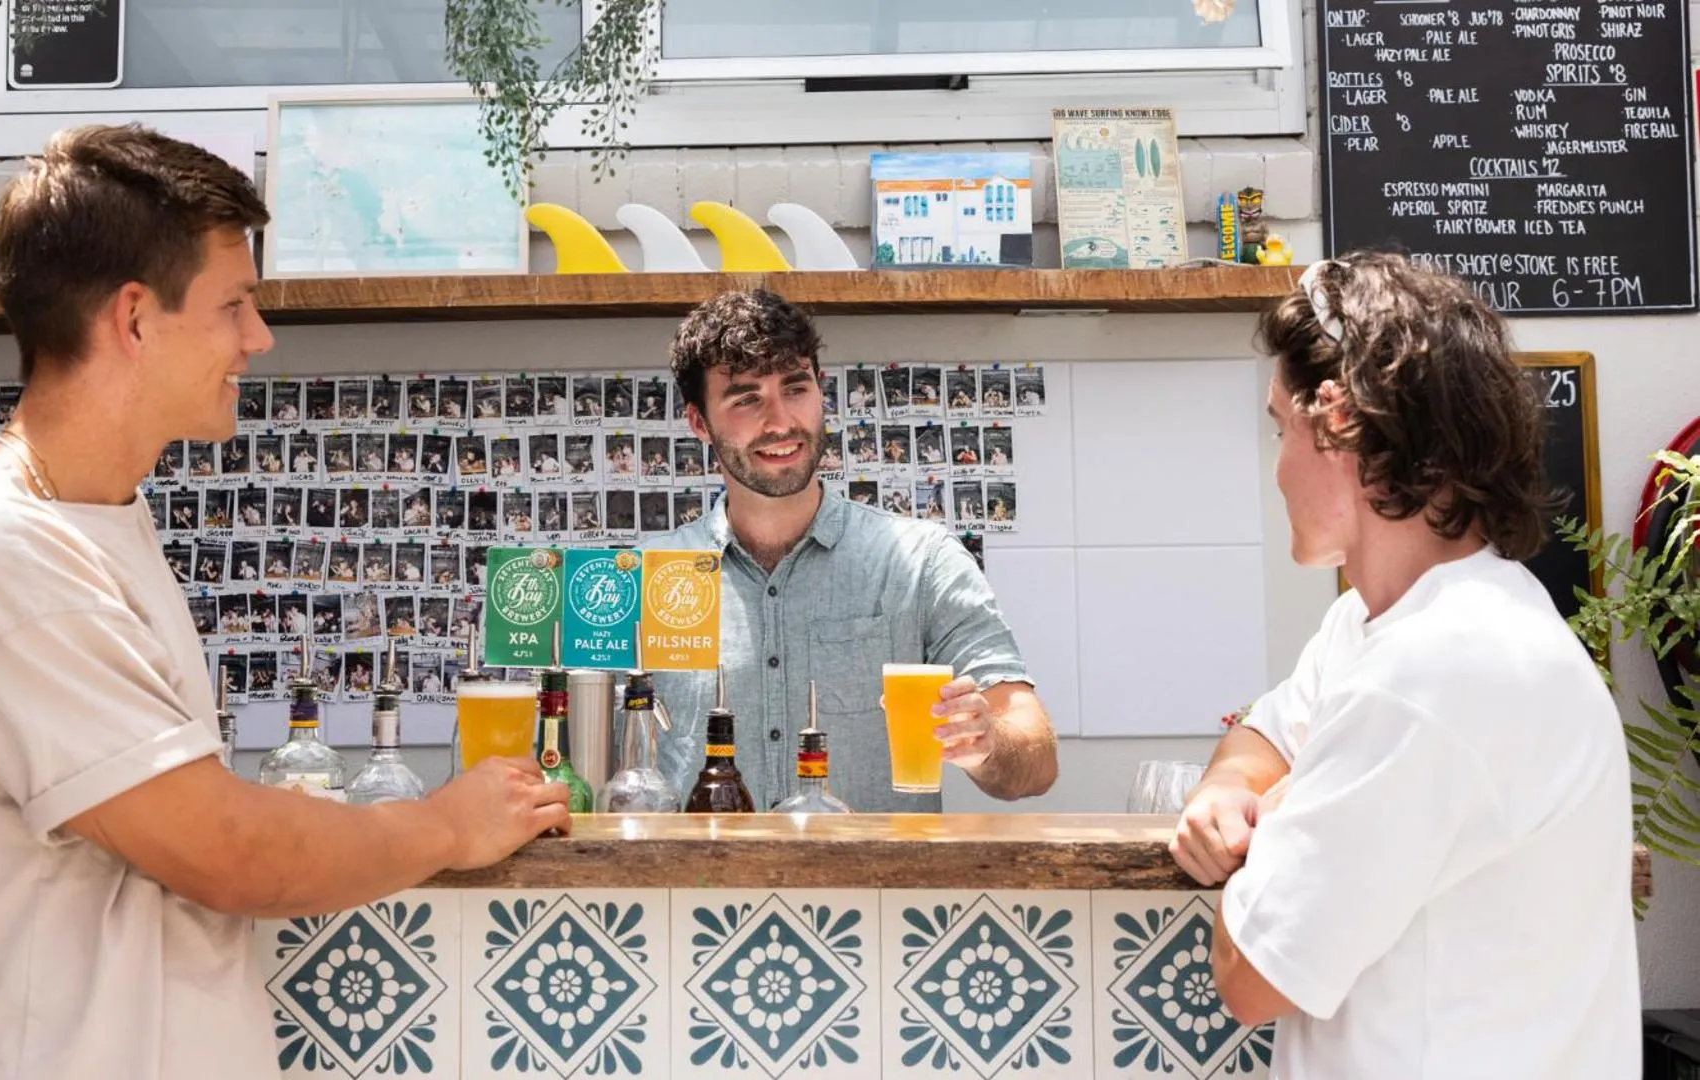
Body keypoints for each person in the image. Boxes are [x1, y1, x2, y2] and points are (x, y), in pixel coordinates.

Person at [0, 125, 573, 1080]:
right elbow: (222, 851)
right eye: (234, 305)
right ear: (134, 319)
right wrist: (445, 824)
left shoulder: (98, 521)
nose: (257, 339)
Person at [1169, 253, 1638, 1077]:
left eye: (1280, 427)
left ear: (1339, 426)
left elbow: (1249, 980)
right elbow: (1261, 734)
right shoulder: (1382, 624)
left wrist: (1279, 807)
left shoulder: (1433, 671)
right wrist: (1226, 791)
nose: (1276, 466)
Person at [645, 290, 1057, 812]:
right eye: (746, 398)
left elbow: (1037, 764)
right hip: (697, 892)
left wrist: (986, 742)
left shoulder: (921, 560)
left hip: (877, 891)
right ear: (698, 421)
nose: (780, 421)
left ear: (822, 396)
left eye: (796, 388)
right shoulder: (643, 578)